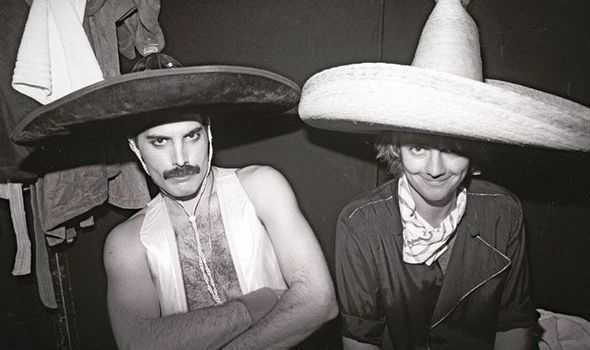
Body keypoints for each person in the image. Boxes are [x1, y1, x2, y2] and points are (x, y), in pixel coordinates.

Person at [298, 0, 589, 348]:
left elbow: (512, 324)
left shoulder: (503, 212)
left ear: (476, 152)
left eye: (452, 149)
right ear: (395, 149)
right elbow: (361, 338)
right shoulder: (360, 224)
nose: (435, 170)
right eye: (418, 148)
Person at [12, 66, 338, 349]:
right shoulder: (128, 241)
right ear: (134, 148)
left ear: (209, 134)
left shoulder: (260, 186)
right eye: (160, 142)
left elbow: (319, 301)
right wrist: (254, 306)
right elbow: (138, 343)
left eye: (191, 136)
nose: (180, 159)